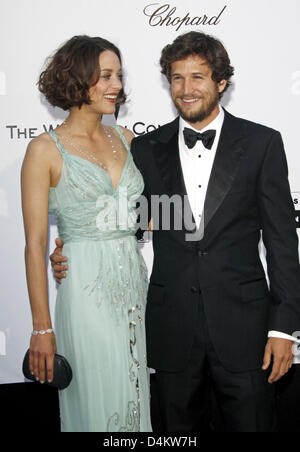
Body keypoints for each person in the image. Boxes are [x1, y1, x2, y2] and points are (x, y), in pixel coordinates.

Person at [51, 32, 300, 432]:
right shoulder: (145, 148)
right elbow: (128, 218)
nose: (186, 90)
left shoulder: (262, 143)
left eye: (198, 77)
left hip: (245, 331)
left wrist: (283, 327)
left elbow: (283, 243)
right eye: (177, 78)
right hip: (170, 330)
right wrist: (72, 249)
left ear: (221, 82)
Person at [21, 35, 152, 432]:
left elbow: (147, 218)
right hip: (85, 292)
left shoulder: (129, 141)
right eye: (105, 76)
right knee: (98, 401)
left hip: (134, 288)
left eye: (119, 75)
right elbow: (36, 245)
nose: (117, 85)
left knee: (136, 394)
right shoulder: (44, 149)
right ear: (78, 79)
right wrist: (42, 327)